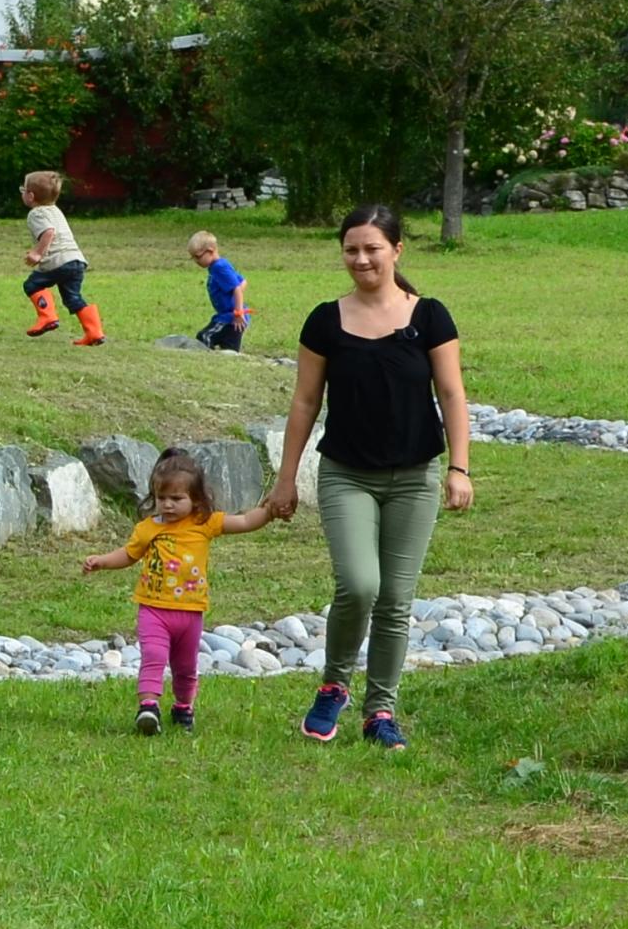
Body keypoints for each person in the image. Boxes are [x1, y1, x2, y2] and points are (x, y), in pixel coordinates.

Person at [259, 203, 473, 750]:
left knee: (396, 598)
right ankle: (334, 684)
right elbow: (305, 402)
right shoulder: (325, 321)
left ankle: (380, 711)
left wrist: (459, 467)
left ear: (396, 250)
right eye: (351, 249)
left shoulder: (431, 317)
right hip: (346, 475)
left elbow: (452, 395)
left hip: (415, 477)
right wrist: (286, 479)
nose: (361, 259)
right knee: (359, 585)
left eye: (373, 248)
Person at [78, 446, 276, 735]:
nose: (168, 505)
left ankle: (184, 707)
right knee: (153, 656)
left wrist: (269, 511)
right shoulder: (148, 528)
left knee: (185, 666)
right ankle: (148, 707)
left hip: (190, 613)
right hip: (153, 609)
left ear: (195, 499)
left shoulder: (204, 523)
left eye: (177, 498)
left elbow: (245, 521)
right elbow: (128, 555)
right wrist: (102, 562)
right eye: (162, 498)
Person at [18, 170, 101, 344]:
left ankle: (47, 317)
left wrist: (37, 253)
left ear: (31, 196)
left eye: (23, 190)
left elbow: (49, 232)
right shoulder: (55, 211)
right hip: (76, 261)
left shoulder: (36, 214)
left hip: (57, 262)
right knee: (73, 298)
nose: (22, 193)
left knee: (32, 285)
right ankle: (94, 333)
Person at [188, 228, 247, 352]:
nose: (196, 261)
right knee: (230, 350)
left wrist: (238, 313)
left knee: (204, 337)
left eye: (197, 257)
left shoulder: (220, 267)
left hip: (230, 318)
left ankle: (206, 358)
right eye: (192, 258)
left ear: (210, 251)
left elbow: (237, 288)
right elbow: (242, 282)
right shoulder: (219, 265)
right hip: (229, 317)